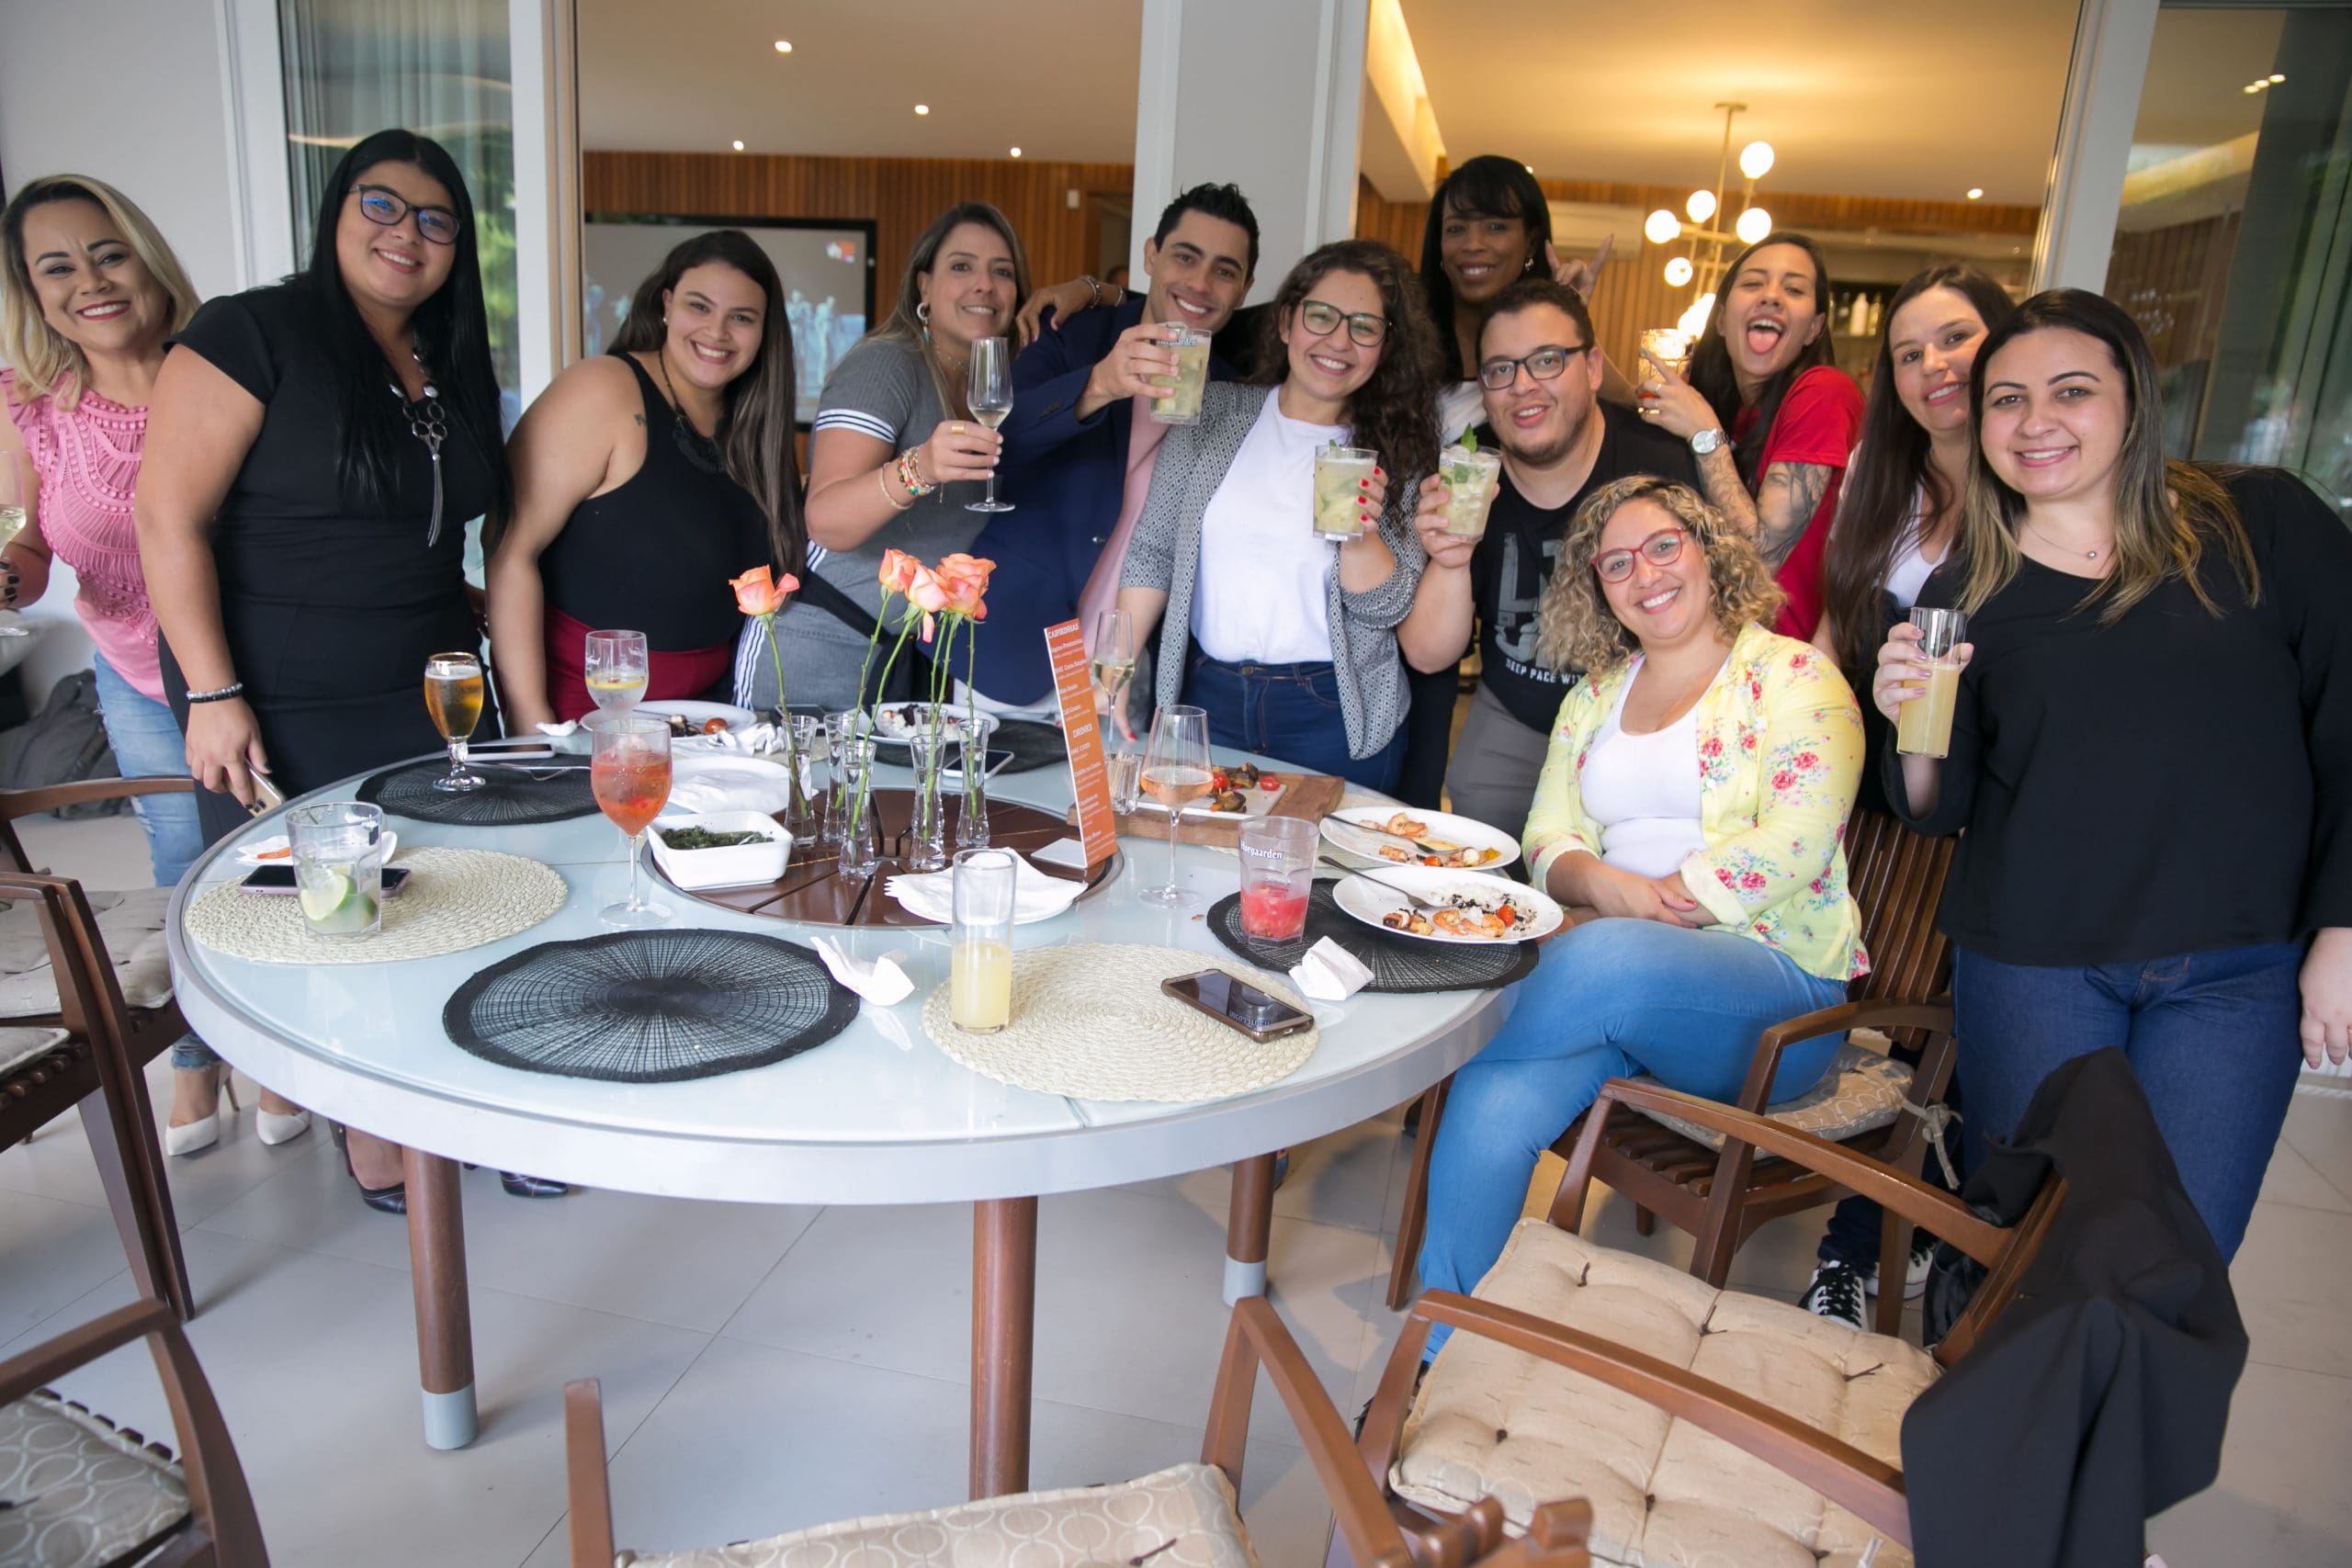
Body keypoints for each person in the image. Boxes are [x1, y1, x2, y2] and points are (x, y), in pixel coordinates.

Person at [1875, 288, 2352, 1262]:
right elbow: (1937, 808)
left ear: (2132, 399)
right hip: (2032, 966)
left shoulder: (2260, 523)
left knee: (2178, 1261)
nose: (2035, 421)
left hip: (2232, 970)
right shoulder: (1963, 590)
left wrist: (2342, 933)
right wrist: (1909, 727)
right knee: (2031, 1253)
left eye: (2071, 391)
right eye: (2006, 399)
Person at [136, 129, 560, 1213]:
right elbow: (167, 520)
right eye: (381, 204)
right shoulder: (250, 332)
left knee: (458, 887)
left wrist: (461, 598)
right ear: (336, 210)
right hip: (282, 683)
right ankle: (370, 1122)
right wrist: (213, 694)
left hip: (428, 672)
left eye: (435, 219)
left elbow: (423, 518)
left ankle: (462, 1096)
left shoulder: (447, 359)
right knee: (333, 907)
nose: (406, 234)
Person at [1415, 474, 1867, 1333]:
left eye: (1664, 546)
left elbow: (1797, 841)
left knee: (1583, 964)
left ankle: (1413, 1026)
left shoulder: (1794, 676)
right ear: (1599, 587)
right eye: (1617, 563)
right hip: (1606, 986)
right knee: (1490, 1097)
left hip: (1775, 997)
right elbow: (1547, 836)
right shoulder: (1594, 695)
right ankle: (1439, 1351)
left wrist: (1635, 915)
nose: (1645, 574)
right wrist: (1602, 886)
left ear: (1710, 551)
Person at [0, 173, 312, 1155]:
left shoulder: (220, 367)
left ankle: (274, 1051)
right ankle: (194, 1056)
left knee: (273, 861)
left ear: (146, 260)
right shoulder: (30, 405)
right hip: (136, 675)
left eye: (108, 254)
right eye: (57, 267)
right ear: (32, 290)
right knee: (184, 866)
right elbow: (26, 542)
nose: (90, 282)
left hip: (250, 660)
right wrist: (8, 572)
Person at [1796, 264, 2014, 1330]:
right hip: (1874, 802)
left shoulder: (2034, 499)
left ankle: (1867, 1246)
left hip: (1982, 808)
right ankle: (1886, 1222)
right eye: (1910, 351)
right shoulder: (1879, 483)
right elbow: (1829, 636)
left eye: (1957, 338)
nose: (1935, 366)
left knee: (1950, 1037)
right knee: (1873, 1014)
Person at [1115, 239, 1440, 789]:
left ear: (1385, 347)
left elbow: (1388, 610)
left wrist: (1361, 535)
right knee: (1196, 845)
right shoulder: (1213, 412)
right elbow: (1153, 549)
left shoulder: (1399, 454)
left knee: (1330, 852)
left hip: (1334, 714)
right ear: (1287, 322)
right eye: (1322, 316)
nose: (1339, 341)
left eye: (1364, 327)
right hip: (1207, 702)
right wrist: (1119, 667)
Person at [1396, 277, 1698, 835]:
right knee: (1474, 844)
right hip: (1516, 717)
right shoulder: (1467, 473)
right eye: (1500, 369)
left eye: (1547, 361)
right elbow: (1428, 655)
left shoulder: (1660, 464)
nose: (1522, 385)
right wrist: (1451, 558)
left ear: (1593, 368)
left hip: (1639, 721)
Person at [489, 231, 800, 728]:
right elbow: (508, 548)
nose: (717, 332)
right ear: (666, 304)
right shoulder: (603, 389)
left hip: (708, 721)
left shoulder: (754, 426)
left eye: (742, 318)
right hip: (586, 717)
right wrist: (530, 723)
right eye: (699, 306)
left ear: (765, 331)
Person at [970, 184, 1257, 707]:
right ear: (1150, 256)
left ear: (1244, 289)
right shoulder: (1073, 334)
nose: (1200, 283)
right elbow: (998, 444)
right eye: (1185, 257)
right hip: (1011, 649)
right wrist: (1099, 384)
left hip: (1129, 672)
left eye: (1224, 270)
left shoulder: (1235, 398)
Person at [743, 202, 1029, 714]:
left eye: (1002, 271)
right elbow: (826, 520)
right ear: (924, 287)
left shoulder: (992, 382)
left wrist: (1091, 292)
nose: (984, 285)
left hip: (902, 664)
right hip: (815, 655)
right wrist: (921, 468)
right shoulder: (885, 364)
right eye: (961, 266)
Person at [1635, 231, 1863, 641]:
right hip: (1713, 648)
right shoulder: (1725, 405)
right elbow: (1632, 403)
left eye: (1794, 289)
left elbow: (1760, 556)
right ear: (1721, 319)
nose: (1771, 296)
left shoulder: (1824, 392)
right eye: (1754, 282)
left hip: (1785, 659)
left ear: (1814, 328)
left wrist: (1706, 435)